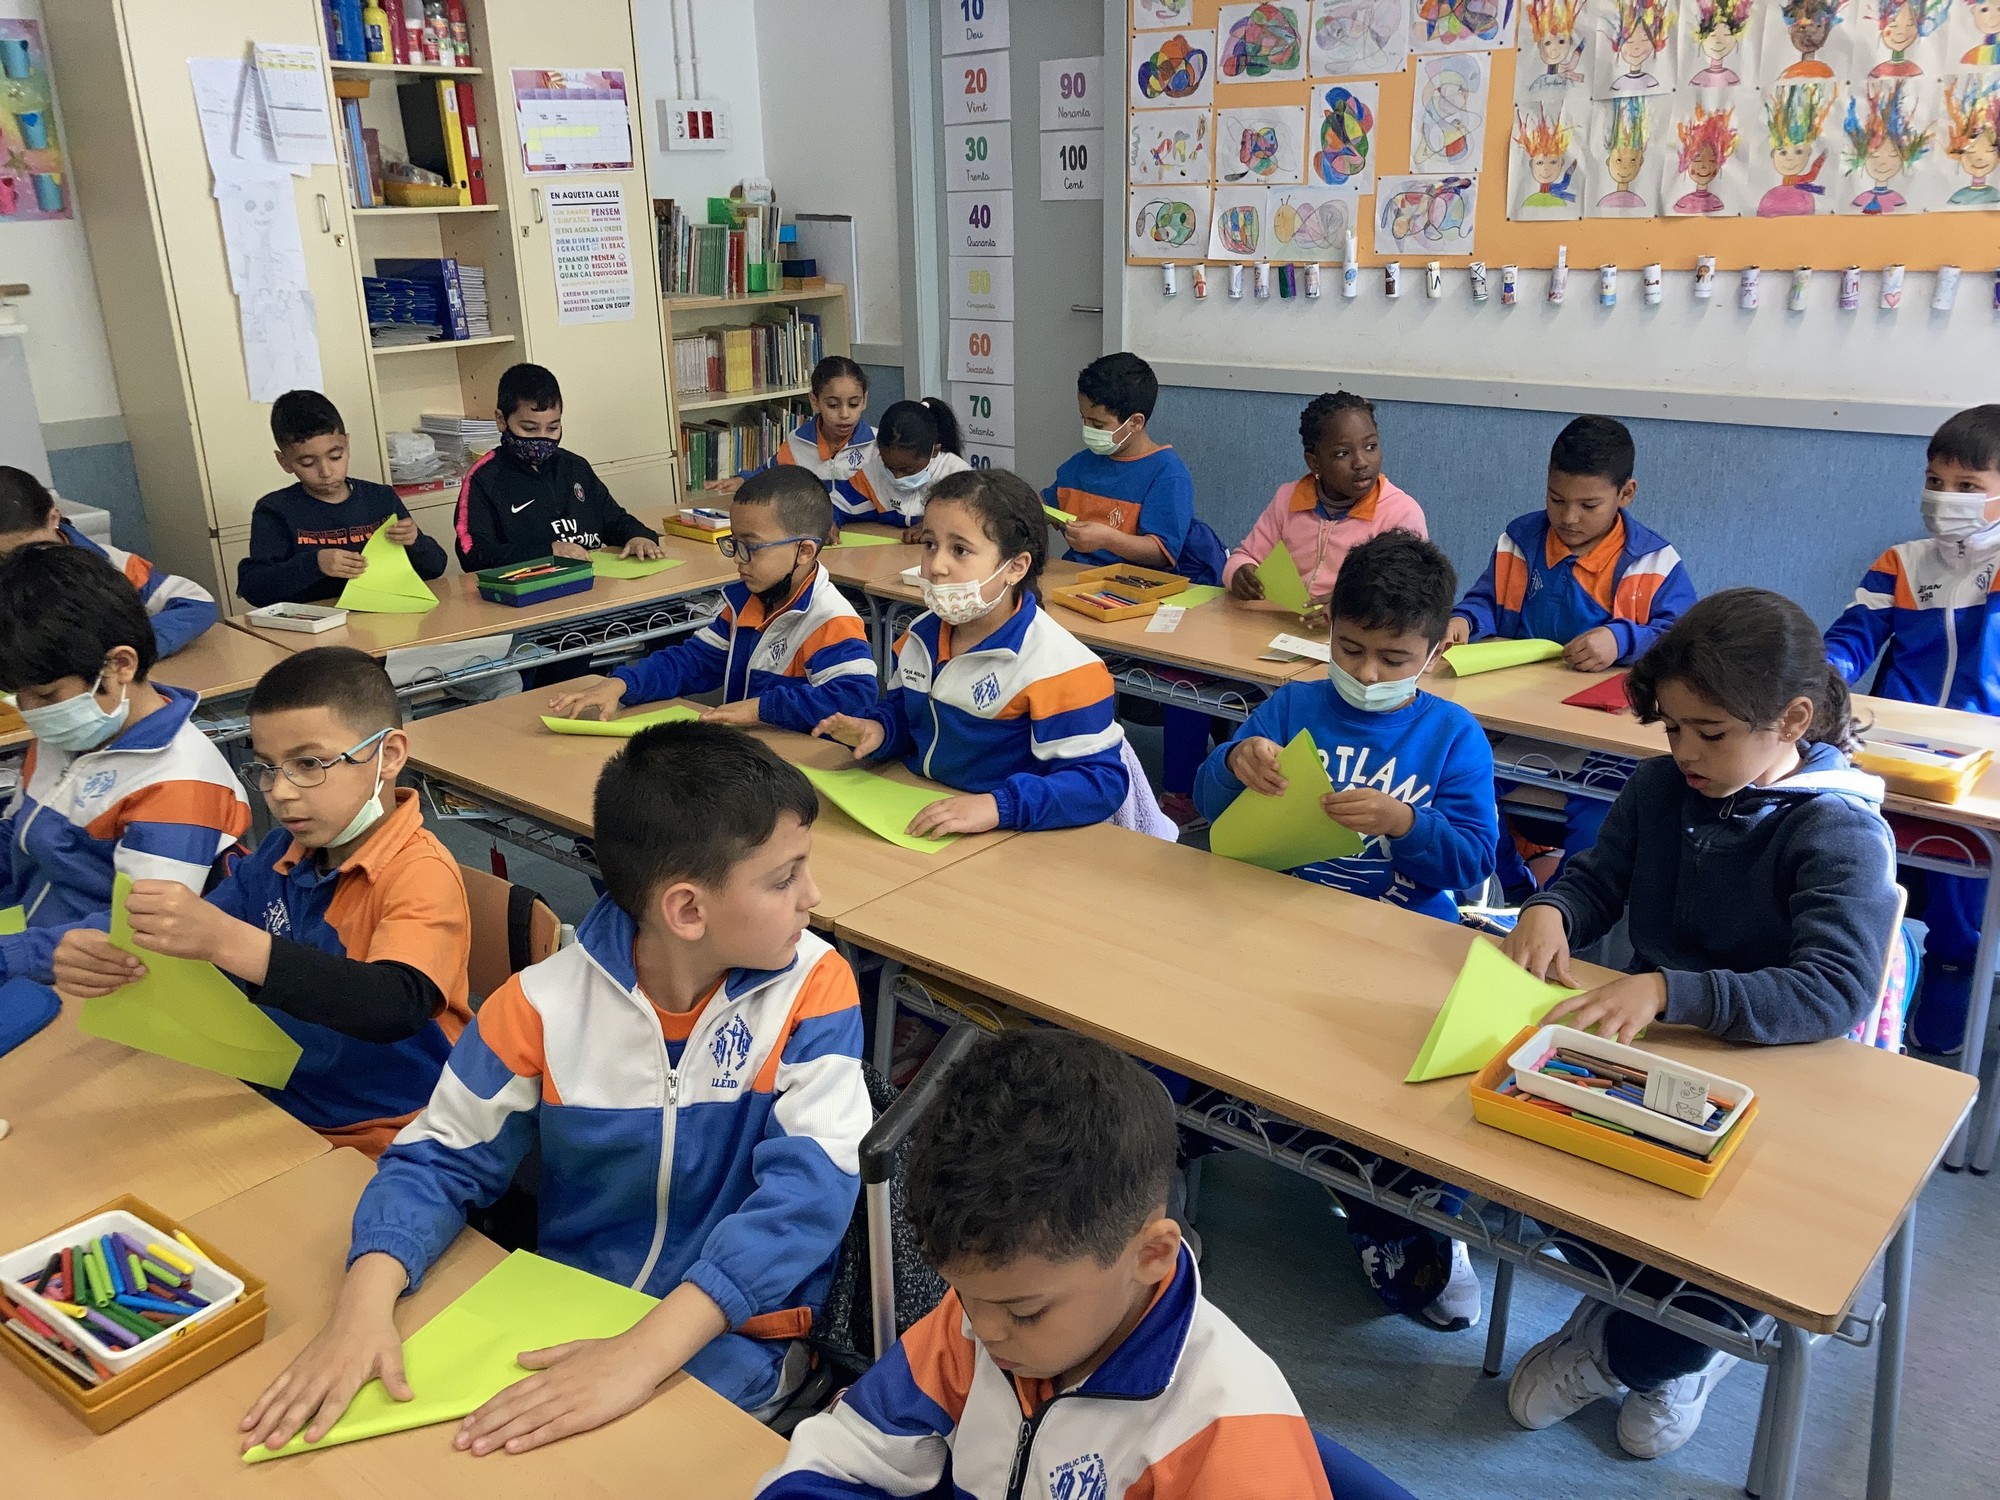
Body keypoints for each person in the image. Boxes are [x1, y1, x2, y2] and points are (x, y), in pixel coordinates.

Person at [239, 722, 870, 1454]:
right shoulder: (541, 1005)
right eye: (785, 878)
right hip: (568, 1307)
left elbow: (808, 1196)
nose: (813, 896)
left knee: (610, 1464)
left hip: (738, 1332)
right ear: (687, 911)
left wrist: (642, 1355)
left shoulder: (814, 987)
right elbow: (435, 1161)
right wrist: (361, 1309)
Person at [1501, 589, 1899, 1460]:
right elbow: (1600, 876)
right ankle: (1635, 1310)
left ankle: (1648, 1350)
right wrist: (1553, 908)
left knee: (1702, 1288)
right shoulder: (1664, 785)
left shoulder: (1837, 829)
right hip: (1659, 1060)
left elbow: (1833, 988)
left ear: (1792, 720)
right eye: (1673, 728)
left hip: (1781, 1079)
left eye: (1709, 733)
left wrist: (1668, 991)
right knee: (1531, 1170)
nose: (1684, 751)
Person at [758, 1029, 1343, 1499]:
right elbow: (847, 1453)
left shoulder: (1227, 1439)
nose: (982, 1331)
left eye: (1026, 1312)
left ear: (1151, 1255)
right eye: (962, 1294)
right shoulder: (982, 1318)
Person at [1196, 531, 1495, 1331]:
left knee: (1416, 1094)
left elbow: (1474, 859)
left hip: (1398, 947)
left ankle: (1413, 1208)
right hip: (1280, 928)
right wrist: (1233, 764)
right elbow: (1210, 805)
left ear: (1434, 652)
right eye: (1350, 649)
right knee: (1186, 1036)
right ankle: (1229, 1139)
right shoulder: (1294, 706)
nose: (1366, 674)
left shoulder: (1450, 736)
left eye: (1393, 660)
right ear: (1328, 630)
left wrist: (1406, 823)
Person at [51, 647, 471, 1156]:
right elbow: (200, 938)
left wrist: (227, 941)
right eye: (268, 768)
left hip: (389, 1126)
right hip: (278, 1093)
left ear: (391, 755)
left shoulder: (418, 873)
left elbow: (395, 1004)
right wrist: (105, 952)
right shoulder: (282, 852)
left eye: (309, 764)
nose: (281, 792)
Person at [1443, 414, 1695, 886]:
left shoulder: (1654, 562)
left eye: (1588, 505)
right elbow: (1487, 601)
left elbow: (1682, 639)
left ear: (1626, 494)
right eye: (1556, 499)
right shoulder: (1520, 540)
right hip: (1514, 718)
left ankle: (1567, 908)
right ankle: (1512, 890)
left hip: (1602, 738)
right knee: (1460, 788)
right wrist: (1464, 620)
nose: (1569, 518)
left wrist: (1622, 639)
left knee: (1601, 822)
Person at [815, 469, 1130, 836]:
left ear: (1015, 567)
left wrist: (999, 806)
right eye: (930, 544)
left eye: (960, 550)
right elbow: (909, 718)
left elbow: (1100, 783)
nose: (935, 566)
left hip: (1010, 834)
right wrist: (880, 730)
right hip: (924, 808)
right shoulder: (919, 635)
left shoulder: (1060, 666)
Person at [1825, 404, 2000, 1053]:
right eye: (1935, 482)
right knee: (1853, 848)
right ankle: (1868, 955)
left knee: (1961, 881)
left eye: (1967, 486)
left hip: (1982, 759)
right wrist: (1820, 676)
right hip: (1893, 746)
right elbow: (1852, 639)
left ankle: (1956, 964)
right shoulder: (1901, 563)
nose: (1945, 498)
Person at [0, 543, 248, 991]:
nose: (31, 712)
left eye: (47, 695)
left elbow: (138, 933)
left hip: (113, 982)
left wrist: (15, 956)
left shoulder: (180, 781)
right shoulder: (71, 730)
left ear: (120, 665)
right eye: (20, 697)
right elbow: (18, 834)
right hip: (42, 947)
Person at [546, 467, 877, 733]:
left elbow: (855, 698)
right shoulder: (748, 601)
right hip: (751, 755)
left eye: (751, 548)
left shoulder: (830, 619)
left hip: (802, 766)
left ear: (804, 551)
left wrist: (760, 709)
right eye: (734, 544)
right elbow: (693, 661)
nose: (738, 559)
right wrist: (621, 684)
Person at [239, 390, 448, 607]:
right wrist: (315, 564)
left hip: (384, 613)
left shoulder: (381, 499)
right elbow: (255, 589)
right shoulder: (275, 510)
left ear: (347, 445)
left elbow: (436, 568)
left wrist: (415, 541)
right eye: (308, 463)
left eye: (335, 457)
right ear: (284, 462)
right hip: (315, 621)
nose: (326, 472)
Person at [452, 363, 664, 572]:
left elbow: (614, 519)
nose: (542, 438)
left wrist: (638, 536)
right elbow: (473, 554)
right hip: (532, 586)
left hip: (592, 579)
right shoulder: (484, 478)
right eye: (530, 429)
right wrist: (546, 553)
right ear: (501, 420)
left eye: (553, 427)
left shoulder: (575, 466)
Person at [0, 465, 217, 658]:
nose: (19, 564)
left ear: (54, 519)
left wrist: (135, 646)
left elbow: (195, 602)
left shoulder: (111, 564)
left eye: (31, 550)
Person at [1043, 352, 1211, 581]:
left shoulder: (1167, 474)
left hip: (1135, 584)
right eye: (1083, 419)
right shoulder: (1081, 464)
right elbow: (1047, 505)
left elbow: (1161, 552)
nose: (1087, 429)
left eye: (1097, 424)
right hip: (1077, 576)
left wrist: (1107, 539)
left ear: (1135, 422)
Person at [716, 357, 893, 524]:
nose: (844, 414)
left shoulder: (879, 444)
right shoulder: (798, 442)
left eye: (853, 404)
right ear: (814, 401)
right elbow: (771, 474)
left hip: (872, 529)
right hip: (815, 527)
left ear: (864, 400)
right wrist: (743, 480)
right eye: (833, 405)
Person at [871, 396, 970, 527]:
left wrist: (930, 529)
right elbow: (845, 510)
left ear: (934, 451)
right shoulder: (871, 471)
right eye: (889, 467)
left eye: (907, 469)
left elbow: (972, 524)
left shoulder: (959, 477)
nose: (897, 477)